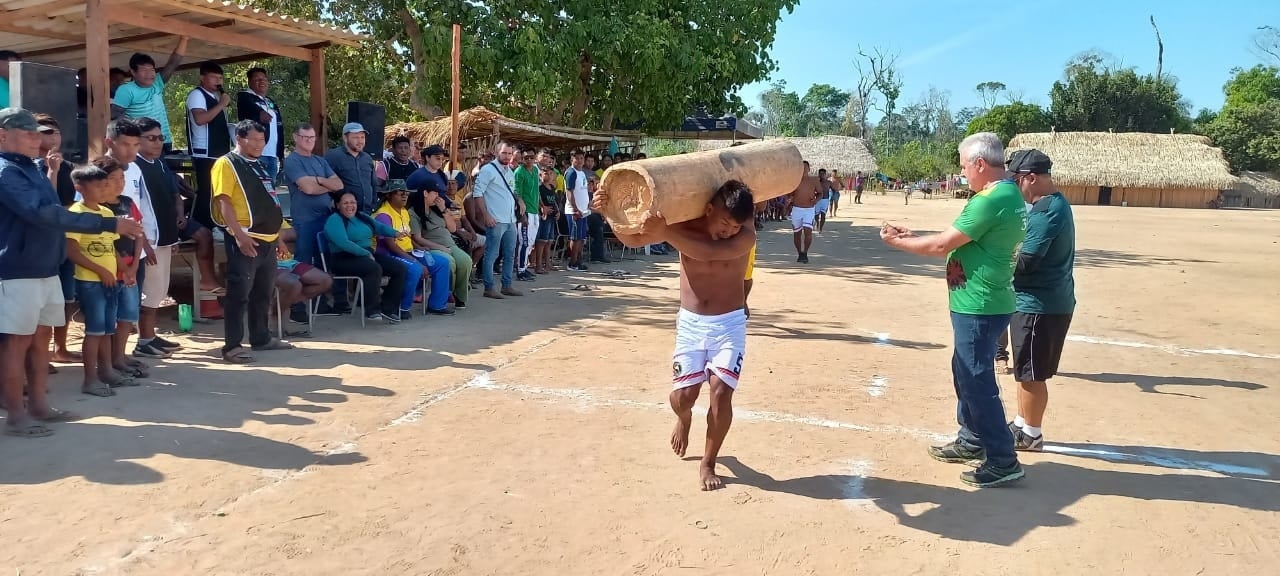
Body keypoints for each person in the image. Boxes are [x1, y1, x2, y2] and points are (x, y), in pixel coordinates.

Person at [879, 132, 1027, 488]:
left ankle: (1003, 458)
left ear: (979, 164)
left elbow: (943, 244)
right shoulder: (1003, 195)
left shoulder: (991, 199)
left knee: (976, 380)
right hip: (979, 301)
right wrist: (913, 235)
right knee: (965, 371)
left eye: (964, 166)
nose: (963, 173)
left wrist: (899, 242)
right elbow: (959, 238)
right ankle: (972, 439)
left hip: (980, 304)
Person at [592, 179, 757, 491]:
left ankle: (708, 461)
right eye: (723, 223)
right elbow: (632, 241)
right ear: (708, 209)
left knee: (721, 393)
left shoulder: (745, 236)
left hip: (729, 325)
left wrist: (665, 232)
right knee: (684, 398)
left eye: (735, 226)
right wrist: (608, 213)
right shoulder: (685, 224)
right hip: (691, 325)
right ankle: (683, 418)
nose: (729, 231)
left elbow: (709, 253)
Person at [0, 108, 144, 437]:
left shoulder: (33, 170)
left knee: (41, 340)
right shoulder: (5, 172)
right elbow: (43, 214)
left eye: (37, 133)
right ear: (2, 135)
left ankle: (38, 406)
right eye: (27, 134)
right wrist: (108, 223)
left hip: (45, 267)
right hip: (18, 270)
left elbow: (53, 213)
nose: (36, 139)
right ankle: (17, 416)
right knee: (16, 343)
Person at [1005, 149, 1076, 452]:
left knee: (1032, 375)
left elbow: (1027, 261)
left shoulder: (1047, 211)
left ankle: (1032, 433)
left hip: (1040, 306)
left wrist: (998, 263)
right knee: (1025, 371)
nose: (1016, 187)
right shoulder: (1050, 205)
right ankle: (1022, 422)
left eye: (1017, 180)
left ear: (1031, 178)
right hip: (1038, 303)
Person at [211, 120, 292, 363]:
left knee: (263, 293)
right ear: (239, 138)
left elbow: (270, 203)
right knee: (239, 294)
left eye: (262, 140)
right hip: (246, 238)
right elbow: (223, 201)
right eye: (253, 139)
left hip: (267, 239)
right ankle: (232, 346)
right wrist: (239, 235)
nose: (259, 144)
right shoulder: (226, 164)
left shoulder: (259, 166)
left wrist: (278, 238)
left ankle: (261, 338)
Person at [65, 163, 126, 397]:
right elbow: (72, 251)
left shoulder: (107, 213)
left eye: (105, 185)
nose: (104, 189)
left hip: (110, 280)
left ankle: (107, 371)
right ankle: (90, 379)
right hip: (90, 282)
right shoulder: (76, 214)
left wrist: (124, 270)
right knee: (94, 331)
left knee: (107, 329)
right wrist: (100, 271)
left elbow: (112, 248)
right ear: (79, 187)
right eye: (98, 186)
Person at [101, 120, 155, 379]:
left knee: (127, 313)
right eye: (125, 144)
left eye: (136, 144)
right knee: (107, 316)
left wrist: (144, 246)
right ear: (110, 142)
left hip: (135, 257)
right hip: (107, 262)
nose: (132, 150)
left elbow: (140, 211)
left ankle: (121, 358)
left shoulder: (135, 168)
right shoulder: (96, 173)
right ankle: (107, 363)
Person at [132, 116, 186, 359]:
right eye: (150, 138)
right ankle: (143, 341)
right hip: (148, 241)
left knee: (161, 289)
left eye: (160, 138)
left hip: (165, 237)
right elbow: (135, 209)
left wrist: (173, 238)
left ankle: (151, 336)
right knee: (150, 291)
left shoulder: (161, 164)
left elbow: (170, 198)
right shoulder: (134, 166)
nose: (157, 143)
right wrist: (143, 242)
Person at [282, 123, 345, 318]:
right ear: (296, 138)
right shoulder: (292, 161)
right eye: (305, 137)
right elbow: (307, 189)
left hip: (325, 219)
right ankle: (296, 307)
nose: (309, 141)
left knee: (322, 261)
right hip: (305, 220)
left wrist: (317, 180)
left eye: (312, 138)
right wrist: (325, 183)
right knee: (303, 263)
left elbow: (339, 185)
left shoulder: (320, 160)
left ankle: (320, 304)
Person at [34, 114, 81, 365]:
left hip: (68, 240)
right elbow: (48, 205)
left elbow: (80, 203)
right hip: (42, 243)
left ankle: (60, 348)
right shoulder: (30, 168)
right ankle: (38, 357)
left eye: (56, 131)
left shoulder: (72, 168)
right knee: (39, 303)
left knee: (65, 297)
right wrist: (52, 171)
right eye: (47, 132)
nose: (54, 137)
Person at [323, 191, 410, 323]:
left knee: (399, 268)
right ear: (337, 205)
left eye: (352, 202)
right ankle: (372, 310)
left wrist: (395, 233)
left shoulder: (362, 217)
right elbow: (343, 243)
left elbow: (379, 227)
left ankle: (388, 308)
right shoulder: (334, 220)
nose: (350, 206)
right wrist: (366, 253)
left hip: (366, 255)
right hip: (343, 258)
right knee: (373, 268)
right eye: (345, 203)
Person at [375, 180, 453, 317]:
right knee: (415, 269)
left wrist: (419, 247)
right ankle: (402, 308)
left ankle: (437, 305)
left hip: (407, 252)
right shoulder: (383, 215)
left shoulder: (403, 211)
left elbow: (406, 237)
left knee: (442, 263)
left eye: (406, 194)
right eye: (400, 194)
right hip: (388, 254)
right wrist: (414, 260)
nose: (405, 196)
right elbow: (390, 245)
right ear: (389, 195)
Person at [407, 179, 472, 309]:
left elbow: (453, 229)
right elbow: (418, 238)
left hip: (450, 244)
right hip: (432, 247)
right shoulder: (414, 213)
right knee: (449, 262)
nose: (438, 197)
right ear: (425, 193)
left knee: (466, 261)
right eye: (435, 193)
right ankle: (448, 292)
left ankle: (459, 295)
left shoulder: (437, 209)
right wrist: (440, 247)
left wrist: (444, 210)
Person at [112, 42, 187, 152]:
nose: (149, 74)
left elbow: (173, 63)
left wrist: (184, 39)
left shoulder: (157, 83)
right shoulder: (126, 90)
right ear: (133, 72)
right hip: (143, 144)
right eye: (144, 70)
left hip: (163, 140)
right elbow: (116, 117)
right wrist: (136, 135)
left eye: (151, 70)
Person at [472, 141, 523, 299]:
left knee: (509, 254)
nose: (507, 156)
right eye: (504, 153)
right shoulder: (488, 170)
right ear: (496, 152)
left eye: (509, 153)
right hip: (495, 220)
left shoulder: (509, 170)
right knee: (491, 254)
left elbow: (511, 191)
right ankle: (489, 287)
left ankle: (506, 285)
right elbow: (477, 193)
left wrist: (519, 200)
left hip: (510, 219)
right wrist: (486, 215)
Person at [185, 61, 233, 229]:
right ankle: (200, 227)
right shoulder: (197, 95)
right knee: (207, 192)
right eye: (214, 77)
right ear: (202, 77)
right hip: (204, 152)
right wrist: (221, 105)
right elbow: (200, 119)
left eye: (220, 78)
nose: (218, 81)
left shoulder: (216, 97)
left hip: (219, 151)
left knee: (218, 191)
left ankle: (215, 225)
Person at [236, 67, 284, 184]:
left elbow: (279, 128)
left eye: (263, 79)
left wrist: (281, 154)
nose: (261, 81)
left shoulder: (270, 101)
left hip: (272, 155)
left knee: (270, 194)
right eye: (257, 79)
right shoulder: (245, 97)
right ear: (249, 82)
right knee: (255, 191)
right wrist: (259, 114)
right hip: (255, 154)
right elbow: (250, 108)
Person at [325, 123, 378, 213]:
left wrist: (373, 204)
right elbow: (324, 181)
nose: (360, 141)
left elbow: (373, 184)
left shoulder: (367, 158)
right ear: (345, 138)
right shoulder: (333, 156)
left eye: (362, 137)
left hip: (366, 213)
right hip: (343, 213)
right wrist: (330, 202)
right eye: (356, 137)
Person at [513, 148, 541, 281]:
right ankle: (521, 270)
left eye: (531, 157)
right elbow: (517, 192)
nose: (529, 160)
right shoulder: (519, 172)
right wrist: (521, 213)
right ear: (522, 159)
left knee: (530, 242)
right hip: (525, 212)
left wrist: (541, 206)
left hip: (534, 210)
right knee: (524, 242)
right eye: (526, 158)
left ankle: (524, 267)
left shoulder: (535, 170)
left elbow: (537, 190)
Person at [562, 150, 590, 271]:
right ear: (571, 159)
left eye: (581, 158)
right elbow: (569, 192)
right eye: (576, 158)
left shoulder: (582, 173)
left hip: (584, 210)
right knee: (575, 237)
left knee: (581, 238)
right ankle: (572, 263)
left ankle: (578, 260)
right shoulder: (571, 173)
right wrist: (575, 209)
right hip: (574, 211)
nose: (579, 161)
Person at [790, 160, 820, 263]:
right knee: (797, 233)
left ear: (809, 169)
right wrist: (789, 198)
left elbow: (820, 193)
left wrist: (815, 200)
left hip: (809, 209)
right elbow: (790, 194)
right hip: (797, 209)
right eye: (801, 167)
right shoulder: (794, 180)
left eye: (805, 167)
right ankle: (800, 253)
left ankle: (805, 253)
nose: (804, 169)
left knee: (808, 232)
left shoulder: (814, 180)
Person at [533, 167, 560, 274]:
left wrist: (557, 212)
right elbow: (537, 200)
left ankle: (548, 264)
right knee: (541, 241)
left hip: (552, 218)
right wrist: (542, 208)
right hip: (544, 217)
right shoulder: (539, 188)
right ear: (540, 175)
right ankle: (538, 265)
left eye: (550, 173)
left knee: (549, 241)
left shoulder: (552, 188)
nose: (548, 176)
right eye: (546, 173)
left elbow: (555, 202)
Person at [814, 168, 832, 234]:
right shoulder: (816, 182)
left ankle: (820, 229)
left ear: (825, 174)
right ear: (818, 174)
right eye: (820, 174)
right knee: (816, 215)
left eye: (823, 174)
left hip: (825, 200)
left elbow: (834, 189)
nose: (821, 175)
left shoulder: (828, 182)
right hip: (818, 200)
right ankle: (817, 223)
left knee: (823, 215)